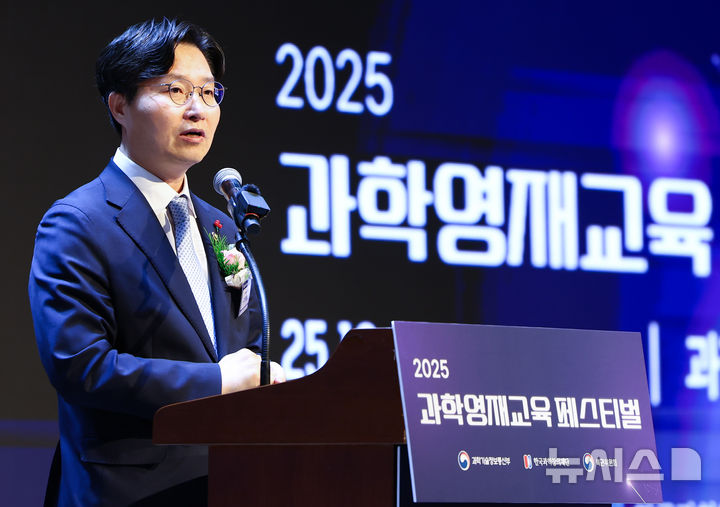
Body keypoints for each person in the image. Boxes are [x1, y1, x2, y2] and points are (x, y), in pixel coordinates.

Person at [28, 18, 284, 506]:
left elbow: (245, 349)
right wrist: (219, 382)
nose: (197, 109)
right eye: (175, 90)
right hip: (128, 491)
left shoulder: (221, 226)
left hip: (230, 483)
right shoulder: (79, 221)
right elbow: (80, 365)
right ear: (119, 105)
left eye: (208, 92)